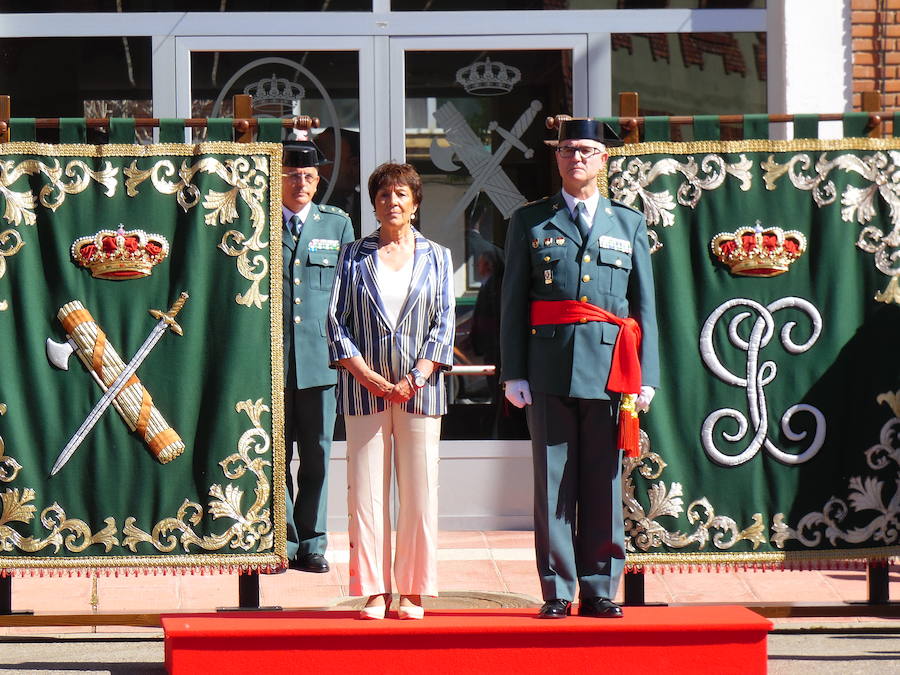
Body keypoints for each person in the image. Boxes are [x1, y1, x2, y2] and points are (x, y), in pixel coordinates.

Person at [499, 118, 659, 619]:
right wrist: (514, 372)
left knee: (603, 482)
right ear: (558, 158)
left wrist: (647, 375)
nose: (577, 159)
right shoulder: (530, 221)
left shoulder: (627, 222)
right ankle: (556, 590)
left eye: (587, 150)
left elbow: (644, 305)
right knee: (552, 484)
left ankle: (599, 588)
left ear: (603, 159)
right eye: (568, 150)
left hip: (612, 371)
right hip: (548, 367)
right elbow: (512, 302)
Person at [327, 163, 455, 620]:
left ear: (416, 203)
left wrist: (415, 377)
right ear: (373, 204)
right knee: (365, 492)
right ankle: (375, 589)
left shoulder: (438, 256)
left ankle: (415, 590)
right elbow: (336, 322)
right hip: (365, 390)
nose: (392, 202)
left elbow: (444, 323)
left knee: (420, 492)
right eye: (383, 195)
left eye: (401, 195)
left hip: (420, 391)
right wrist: (368, 376)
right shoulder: (352, 255)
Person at [281, 140, 355, 573]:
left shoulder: (336, 225)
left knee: (317, 455)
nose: (301, 183)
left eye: (308, 176)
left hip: (320, 360)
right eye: (292, 175)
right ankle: (282, 542)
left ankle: (312, 543)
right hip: (272, 361)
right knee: (276, 456)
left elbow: (345, 295)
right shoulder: (262, 223)